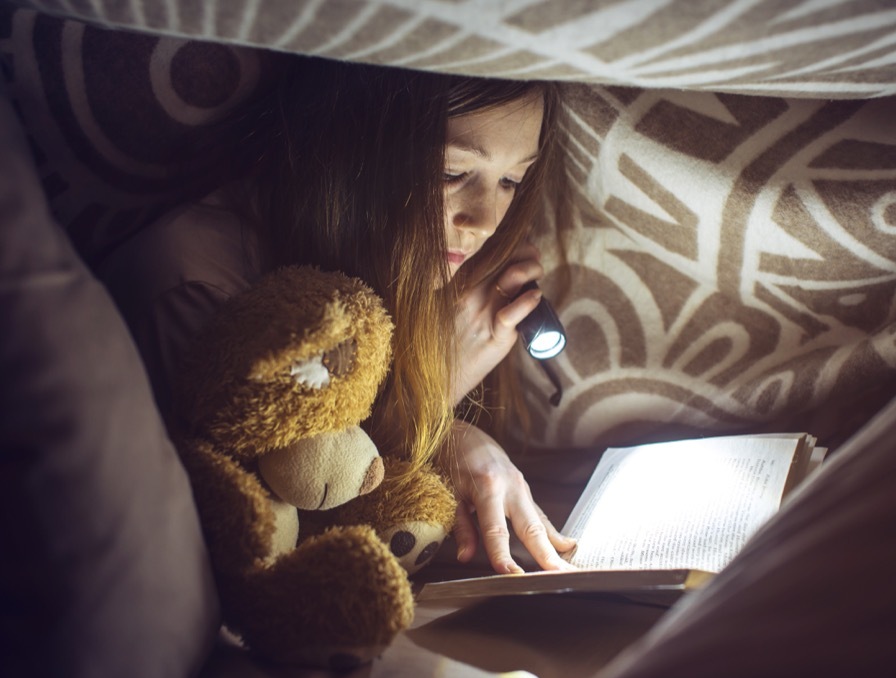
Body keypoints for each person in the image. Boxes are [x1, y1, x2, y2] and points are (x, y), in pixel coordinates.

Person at [97, 54, 576, 577]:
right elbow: (261, 551)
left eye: (511, 181)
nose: (484, 221)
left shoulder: (424, 270)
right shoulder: (196, 286)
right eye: (451, 172)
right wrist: (439, 388)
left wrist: (457, 438)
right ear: (352, 150)